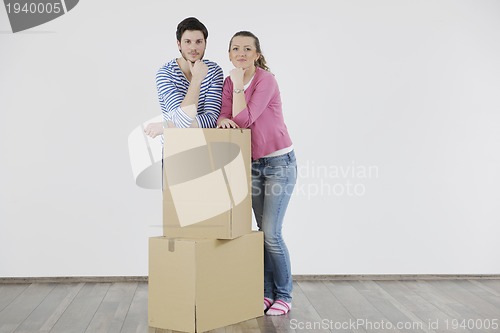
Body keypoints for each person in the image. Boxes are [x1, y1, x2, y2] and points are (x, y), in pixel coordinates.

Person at [217, 31, 297, 316]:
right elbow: (224, 116)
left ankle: (284, 295)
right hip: (251, 164)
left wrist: (238, 87)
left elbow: (243, 120)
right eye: (235, 49)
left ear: (257, 54)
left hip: (279, 164)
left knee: (272, 233)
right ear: (229, 54)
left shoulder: (266, 81)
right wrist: (225, 116)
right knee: (260, 234)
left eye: (247, 49)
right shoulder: (229, 81)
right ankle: (265, 293)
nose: (241, 53)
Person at [144, 17, 223, 138]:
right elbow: (182, 120)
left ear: (205, 44)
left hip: (207, 147)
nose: (193, 48)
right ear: (179, 44)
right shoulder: (165, 74)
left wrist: (166, 126)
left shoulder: (213, 71)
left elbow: (212, 120)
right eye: (187, 42)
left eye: (198, 42)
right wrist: (197, 79)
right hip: (176, 147)